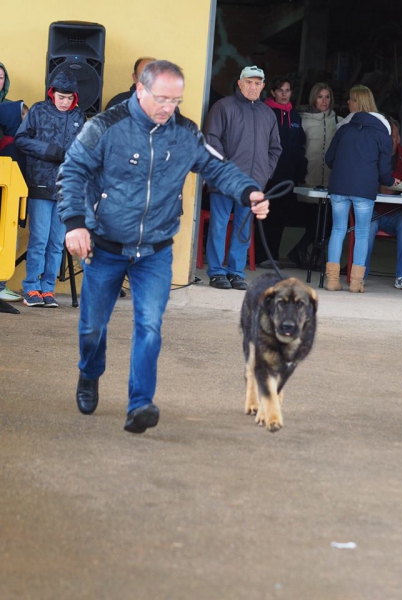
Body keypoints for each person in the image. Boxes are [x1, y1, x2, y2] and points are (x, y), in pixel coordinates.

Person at [56, 60, 268, 434]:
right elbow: (72, 171)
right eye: (162, 98)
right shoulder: (106, 126)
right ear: (140, 89)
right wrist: (75, 224)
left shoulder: (185, 133)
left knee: (150, 327)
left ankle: (140, 404)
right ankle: (89, 373)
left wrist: (249, 190)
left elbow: (218, 167)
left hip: (154, 250)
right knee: (92, 327)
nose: (169, 108)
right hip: (104, 245)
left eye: (176, 100)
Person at [203, 65, 282, 290]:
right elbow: (211, 141)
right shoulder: (223, 107)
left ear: (263, 87)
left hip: (253, 183)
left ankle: (236, 272)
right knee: (219, 225)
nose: (253, 87)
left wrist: (265, 174)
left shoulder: (268, 113)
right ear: (239, 83)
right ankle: (217, 272)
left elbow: (275, 148)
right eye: (249, 82)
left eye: (258, 83)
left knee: (243, 228)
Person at [15, 70, 86, 307]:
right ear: (52, 94)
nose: (64, 102)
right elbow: (21, 139)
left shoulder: (79, 116)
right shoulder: (37, 110)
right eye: (60, 97)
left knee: (57, 242)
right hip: (40, 183)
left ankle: (48, 289)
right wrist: (51, 151)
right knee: (39, 239)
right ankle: (31, 288)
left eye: (69, 98)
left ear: (74, 98)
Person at [324, 84, 398, 292]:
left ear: (359, 102)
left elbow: (329, 159)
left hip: (338, 186)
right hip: (364, 189)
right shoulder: (382, 134)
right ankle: (356, 283)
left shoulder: (344, 129)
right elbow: (384, 170)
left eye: (350, 99)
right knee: (363, 233)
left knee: (338, 230)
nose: (347, 102)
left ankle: (331, 280)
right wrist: (390, 182)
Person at [287, 83, 342, 269]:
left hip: (330, 180)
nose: (324, 101)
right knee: (315, 223)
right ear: (313, 98)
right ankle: (303, 251)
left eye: (327, 97)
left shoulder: (338, 121)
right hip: (309, 177)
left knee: (327, 224)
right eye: (320, 97)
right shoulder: (303, 119)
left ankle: (311, 255)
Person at [254, 76, 307, 268]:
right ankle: (261, 255)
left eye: (288, 90)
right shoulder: (265, 112)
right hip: (268, 175)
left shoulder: (295, 116)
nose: (284, 94)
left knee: (280, 218)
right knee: (265, 217)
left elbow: (300, 145)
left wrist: (300, 171)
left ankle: (273, 255)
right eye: (280, 90)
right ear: (273, 92)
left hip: (288, 176)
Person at [365, 117, 402, 290]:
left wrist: (398, 189)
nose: (388, 141)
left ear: (399, 138)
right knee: (367, 226)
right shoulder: (372, 154)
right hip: (374, 209)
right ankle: (360, 274)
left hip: (397, 211)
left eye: (392, 136)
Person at [0, 62, 25, 303]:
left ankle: (0, 283)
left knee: (7, 232)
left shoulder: (13, 109)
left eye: (0, 77)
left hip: (7, 182)